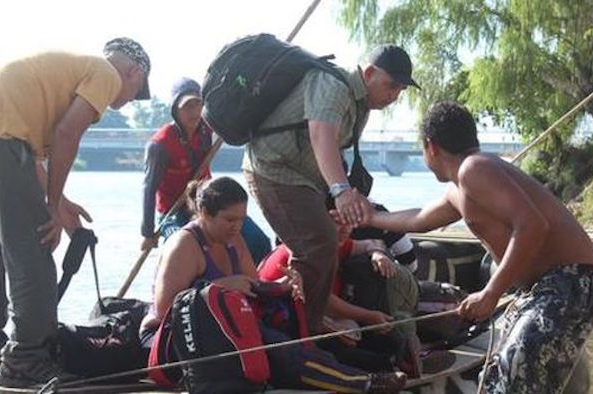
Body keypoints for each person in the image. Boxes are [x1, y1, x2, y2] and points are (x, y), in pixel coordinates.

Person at [356, 101, 593, 393]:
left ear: (430, 146)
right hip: (544, 289)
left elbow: (533, 226)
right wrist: (372, 216)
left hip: (572, 282)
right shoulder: (461, 187)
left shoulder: (475, 169)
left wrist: (491, 293)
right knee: (496, 381)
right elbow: (420, 219)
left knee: (517, 380)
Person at [0, 37, 151, 387]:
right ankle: (25, 359)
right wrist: (51, 208)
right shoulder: (105, 73)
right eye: (137, 90)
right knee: (34, 255)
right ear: (133, 72)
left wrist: (61, 202)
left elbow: (31, 158)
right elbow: (67, 133)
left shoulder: (70, 71)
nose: (130, 99)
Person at [139, 177, 406, 393]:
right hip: (174, 339)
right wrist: (222, 284)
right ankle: (359, 383)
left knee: (286, 339)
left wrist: (285, 284)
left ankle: (364, 373)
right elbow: (165, 311)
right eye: (229, 220)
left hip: (222, 330)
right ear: (204, 214)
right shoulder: (184, 244)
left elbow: (253, 287)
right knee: (272, 347)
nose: (237, 227)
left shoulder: (233, 239)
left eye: (241, 219)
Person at [243, 44, 419, 334]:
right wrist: (341, 191)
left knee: (329, 240)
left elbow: (335, 152)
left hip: (305, 180)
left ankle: (307, 324)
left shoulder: (361, 105)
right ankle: (308, 332)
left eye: (400, 90)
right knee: (320, 245)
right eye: (391, 86)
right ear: (370, 73)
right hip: (273, 170)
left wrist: (344, 196)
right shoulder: (332, 85)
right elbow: (320, 133)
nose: (394, 96)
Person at [258, 219, 421, 376]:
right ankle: (391, 366)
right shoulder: (306, 252)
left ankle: (402, 358)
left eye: (347, 223)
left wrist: (377, 254)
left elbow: (371, 243)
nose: (345, 229)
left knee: (380, 338)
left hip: (318, 316)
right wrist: (366, 317)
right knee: (352, 352)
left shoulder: (334, 243)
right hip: (286, 326)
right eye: (336, 223)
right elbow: (323, 300)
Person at [140, 77, 271, 263]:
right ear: (175, 109)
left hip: (207, 204)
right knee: (180, 250)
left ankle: (255, 284)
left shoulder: (207, 129)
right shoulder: (160, 145)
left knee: (258, 242)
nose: (194, 113)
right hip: (174, 212)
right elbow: (149, 188)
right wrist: (147, 232)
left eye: (198, 105)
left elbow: (234, 116)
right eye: (187, 107)